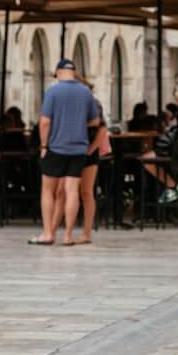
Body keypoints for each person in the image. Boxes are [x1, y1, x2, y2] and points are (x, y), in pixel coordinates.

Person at [31, 58, 98, 246]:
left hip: (56, 147)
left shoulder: (53, 91)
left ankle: (48, 234)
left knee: (47, 190)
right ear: (74, 72)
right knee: (72, 191)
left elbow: (45, 121)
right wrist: (78, 124)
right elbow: (95, 121)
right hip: (79, 149)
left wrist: (44, 145)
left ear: (59, 72)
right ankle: (68, 236)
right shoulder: (86, 92)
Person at [76, 76, 112, 244]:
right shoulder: (70, 103)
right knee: (68, 192)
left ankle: (86, 232)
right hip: (71, 150)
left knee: (86, 192)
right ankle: (65, 231)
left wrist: (90, 150)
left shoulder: (94, 104)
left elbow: (102, 129)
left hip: (87, 151)